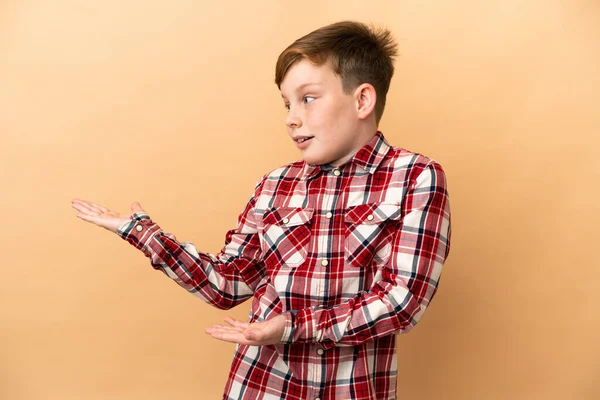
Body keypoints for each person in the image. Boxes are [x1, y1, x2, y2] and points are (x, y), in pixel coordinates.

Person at [71, 20, 451, 400]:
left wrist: (290, 326)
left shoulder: (416, 178)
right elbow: (228, 283)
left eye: (308, 98)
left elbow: (401, 302)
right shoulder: (275, 185)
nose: (291, 117)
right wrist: (143, 234)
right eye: (287, 103)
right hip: (260, 388)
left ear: (362, 100)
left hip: (351, 390)